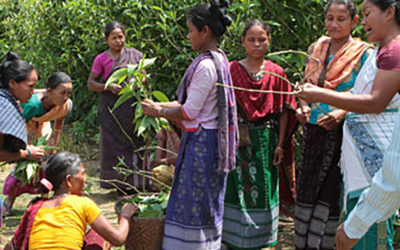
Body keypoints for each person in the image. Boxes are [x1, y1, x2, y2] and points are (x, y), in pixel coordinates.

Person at [298, 0, 400, 249]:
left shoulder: (393, 52)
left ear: (389, 12)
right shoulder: (380, 51)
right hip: (363, 170)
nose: (362, 22)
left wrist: (320, 95)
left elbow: (375, 102)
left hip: (378, 168)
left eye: (366, 14)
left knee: (369, 234)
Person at [141, 0, 238, 248]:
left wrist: (158, 111)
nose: (188, 36)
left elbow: (189, 110)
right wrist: (160, 107)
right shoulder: (218, 60)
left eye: (190, 30)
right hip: (208, 141)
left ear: (205, 31)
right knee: (203, 200)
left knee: (196, 202)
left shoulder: (206, 66)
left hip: (203, 145)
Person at [220, 19, 297, 249]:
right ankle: (234, 240)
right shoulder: (232, 71)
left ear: (269, 41)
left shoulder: (277, 72)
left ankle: (262, 241)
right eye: (251, 39)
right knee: (238, 190)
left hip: (267, 141)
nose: (256, 44)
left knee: (265, 190)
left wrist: (280, 144)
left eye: (261, 39)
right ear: (242, 41)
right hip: (238, 141)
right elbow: (222, 108)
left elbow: (284, 110)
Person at [4, 151, 137, 249]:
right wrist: (125, 215)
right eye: (83, 173)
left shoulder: (35, 207)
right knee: (98, 236)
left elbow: (13, 245)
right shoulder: (83, 203)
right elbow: (118, 239)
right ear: (68, 180)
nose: (85, 179)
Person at [2, 72, 73, 215]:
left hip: (42, 130)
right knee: (23, 168)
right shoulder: (33, 105)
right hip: (25, 130)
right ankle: (8, 202)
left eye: (68, 93)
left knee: (45, 166)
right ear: (49, 91)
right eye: (62, 93)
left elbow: (60, 117)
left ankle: (44, 202)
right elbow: (19, 123)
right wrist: (26, 148)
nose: (65, 97)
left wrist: (55, 141)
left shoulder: (65, 104)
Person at [87, 21, 145, 192]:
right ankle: (119, 185)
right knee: (114, 147)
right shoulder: (101, 59)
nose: (118, 41)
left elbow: (144, 76)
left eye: (121, 37)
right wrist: (108, 87)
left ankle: (138, 183)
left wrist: (137, 81)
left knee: (135, 144)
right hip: (111, 111)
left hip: (132, 108)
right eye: (114, 38)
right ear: (107, 40)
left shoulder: (135, 56)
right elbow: (91, 83)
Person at [0, 52, 45, 216]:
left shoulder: (6, 100)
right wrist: (27, 154)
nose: (33, 92)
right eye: (30, 86)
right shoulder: (3, 107)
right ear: (12, 83)